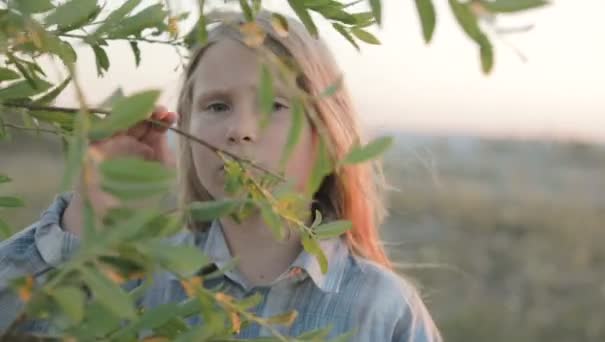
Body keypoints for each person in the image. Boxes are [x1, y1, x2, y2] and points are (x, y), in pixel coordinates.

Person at [0, 11, 442, 341]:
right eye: (217, 106)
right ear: (186, 133)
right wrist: (87, 217)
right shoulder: (139, 278)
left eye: (275, 105)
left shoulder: (381, 308)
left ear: (325, 137)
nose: (240, 130)